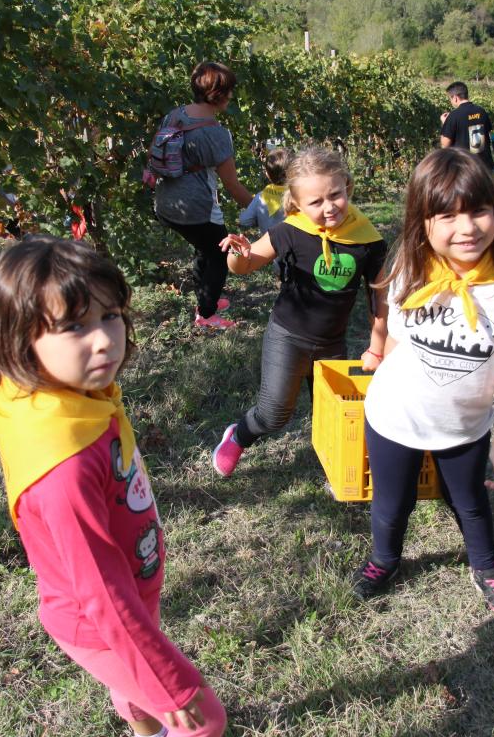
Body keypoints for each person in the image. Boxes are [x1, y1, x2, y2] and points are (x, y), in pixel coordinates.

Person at [0, 239, 227, 737]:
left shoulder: (63, 399)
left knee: (135, 680)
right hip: (100, 617)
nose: (103, 341)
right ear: (17, 341)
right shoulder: (62, 466)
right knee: (203, 722)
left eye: (110, 316)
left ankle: (144, 726)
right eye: (73, 326)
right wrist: (171, 684)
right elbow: (101, 593)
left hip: (129, 592)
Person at [350, 149, 494, 612]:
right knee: (391, 505)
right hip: (393, 419)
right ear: (423, 221)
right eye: (447, 215)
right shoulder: (408, 276)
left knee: (470, 503)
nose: (467, 227)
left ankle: (486, 565)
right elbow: (396, 341)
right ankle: (384, 559)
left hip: (465, 428)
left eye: (479, 210)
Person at [211, 147, 388, 476]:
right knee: (274, 413)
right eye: (316, 202)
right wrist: (237, 254)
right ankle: (237, 435)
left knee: (335, 412)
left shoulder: (367, 240)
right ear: (297, 202)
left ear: (347, 186)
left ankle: (337, 467)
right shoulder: (289, 231)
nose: (329, 206)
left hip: (332, 343)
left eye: (335, 195)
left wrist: (377, 346)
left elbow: (380, 298)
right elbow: (246, 264)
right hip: (287, 336)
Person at [154, 61, 254, 330]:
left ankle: (205, 300)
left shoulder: (175, 115)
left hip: (166, 203)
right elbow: (232, 185)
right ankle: (207, 315)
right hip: (196, 207)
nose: (231, 96)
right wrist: (260, 210)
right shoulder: (216, 134)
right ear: (219, 94)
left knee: (205, 247)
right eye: (230, 91)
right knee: (220, 252)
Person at [438, 81, 494, 171]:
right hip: (485, 166)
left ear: (456, 98)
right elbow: (487, 133)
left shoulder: (453, 116)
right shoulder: (481, 111)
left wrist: (445, 123)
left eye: (450, 99)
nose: (451, 102)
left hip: (466, 169)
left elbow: (445, 145)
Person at [237, 146, 291, 237]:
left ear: (267, 174)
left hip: (269, 248)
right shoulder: (298, 195)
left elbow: (244, 220)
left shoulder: (261, 197)